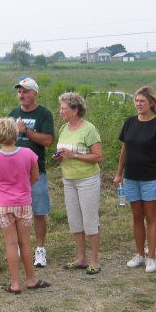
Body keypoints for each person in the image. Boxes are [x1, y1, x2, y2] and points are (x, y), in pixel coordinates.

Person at [0, 118, 51, 293]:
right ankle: (30, 279)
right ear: (16, 133)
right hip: (23, 203)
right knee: (26, 243)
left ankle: (14, 283)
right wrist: (23, 187)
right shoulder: (28, 153)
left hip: (3, 205)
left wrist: (1, 190)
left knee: (10, 244)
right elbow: (35, 177)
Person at [114, 86, 156, 273]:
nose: (138, 104)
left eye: (142, 101)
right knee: (137, 217)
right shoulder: (129, 122)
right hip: (131, 178)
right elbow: (124, 151)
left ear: (151, 103)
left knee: (151, 218)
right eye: (136, 101)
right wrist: (119, 173)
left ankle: (151, 257)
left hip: (151, 179)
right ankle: (139, 254)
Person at [53, 92, 103, 276]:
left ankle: (95, 260)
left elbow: (98, 156)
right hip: (69, 179)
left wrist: (74, 155)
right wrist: (59, 157)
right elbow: (63, 152)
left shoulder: (89, 129)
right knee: (75, 220)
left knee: (90, 219)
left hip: (87, 180)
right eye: (61, 108)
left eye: (64, 108)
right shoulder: (64, 129)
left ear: (75, 110)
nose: (61, 111)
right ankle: (81, 257)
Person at [8, 77, 55, 267]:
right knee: (16, 211)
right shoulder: (13, 113)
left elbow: (47, 141)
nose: (22, 95)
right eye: (19, 91)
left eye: (26, 91)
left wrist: (25, 131)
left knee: (38, 211)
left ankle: (40, 249)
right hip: (14, 173)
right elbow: (7, 139)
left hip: (36, 171)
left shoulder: (44, 114)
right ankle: (20, 246)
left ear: (35, 93)